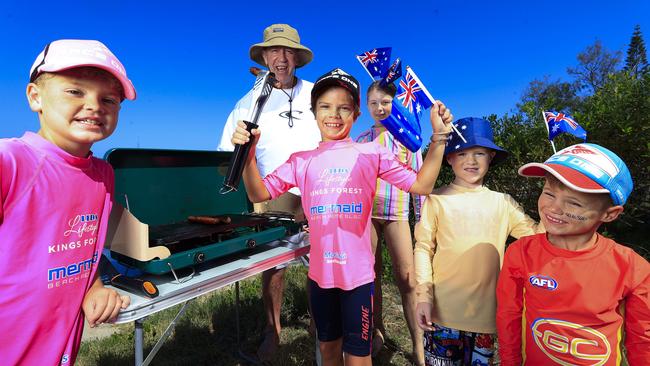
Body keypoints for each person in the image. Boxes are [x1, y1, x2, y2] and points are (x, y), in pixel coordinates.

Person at [231, 67, 453, 366]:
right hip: (321, 279)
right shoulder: (302, 161)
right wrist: (247, 155)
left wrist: (439, 138)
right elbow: (259, 193)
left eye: (343, 108)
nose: (333, 114)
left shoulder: (371, 153)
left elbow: (421, 185)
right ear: (313, 111)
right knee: (329, 351)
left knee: (358, 358)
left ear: (356, 113)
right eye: (324, 106)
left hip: (358, 282)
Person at [0, 39, 136, 365]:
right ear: (36, 97)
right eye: (75, 91)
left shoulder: (103, 173)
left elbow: (82, 247)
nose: (94, 105)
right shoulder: (10, 160)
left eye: (109, 99)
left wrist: (95, 286)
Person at [217, 23, 321, 361]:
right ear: (263, 56)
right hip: (272, 196)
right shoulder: (248, 104)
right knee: (273, 268)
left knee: (322, 265)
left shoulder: (316, 94)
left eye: (288, 51)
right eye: (274, 51)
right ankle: (272, 330)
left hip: (320, 193)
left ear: (297, 58)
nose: (281, 58)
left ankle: (320, 324)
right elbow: (224, 160)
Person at [496, 143, 650, 365]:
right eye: (549, 193)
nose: (554, 208)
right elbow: (508, 316)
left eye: (574, 203)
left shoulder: (632, 267)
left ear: (609, 214)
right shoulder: (521, 252)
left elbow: (642, 339)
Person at [413, 117, 541, 366]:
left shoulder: (503, 202)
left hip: (486, 318)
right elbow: (423, 248)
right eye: (461, 154)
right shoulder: (436, 200)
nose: (470, 161)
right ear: (449, 158)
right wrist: (423, 296)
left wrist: (550, 202)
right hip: (441, 314)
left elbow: (536, 238)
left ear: (491, 157)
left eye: (479, 153)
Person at [355, 80, 426, 363]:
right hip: (368, 216)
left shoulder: (408, 138)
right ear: (366, 106)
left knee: (408, 279)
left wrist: (421, 219)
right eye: (373, 103)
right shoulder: (361, 140)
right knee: (370, 277)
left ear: (395, 103)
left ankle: (418, 345)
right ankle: (377, 332)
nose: (379, 107)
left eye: (385, 102)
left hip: (397, 214)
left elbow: (419, 180)